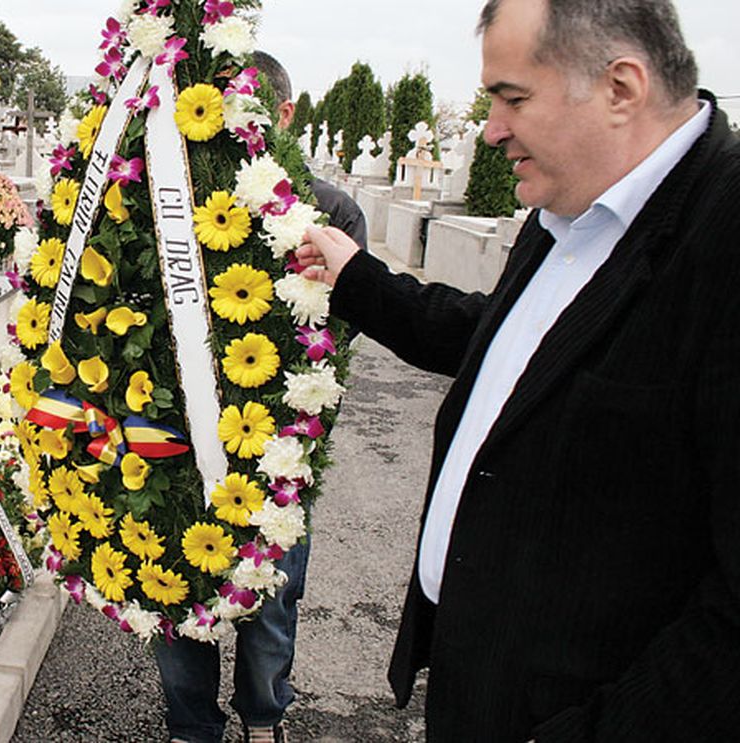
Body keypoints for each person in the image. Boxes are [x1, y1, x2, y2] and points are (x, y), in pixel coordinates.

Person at [294, 1, 740, 740]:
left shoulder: (721, 238)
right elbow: (508, 343)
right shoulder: (568, 209)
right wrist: (361, 282)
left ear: (620, 88)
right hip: (476, 684)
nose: (492, 129)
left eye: (514, 99)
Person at [153, 52, 369, 743]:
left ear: (282, 115)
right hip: (181, 439)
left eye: (240, 110)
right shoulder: (174, 196)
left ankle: (263, 715)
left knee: (272, 598)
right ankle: (191, 725)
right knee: (176, 586)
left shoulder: (330, 211)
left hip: (276, 446)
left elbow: (342, 331)